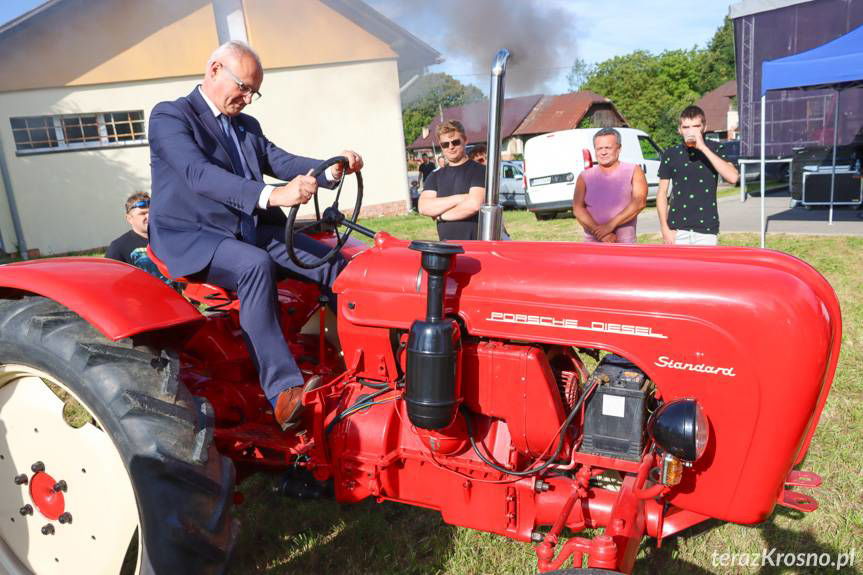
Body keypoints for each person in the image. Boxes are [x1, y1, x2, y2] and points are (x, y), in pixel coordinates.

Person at [147, 41, 362, 431]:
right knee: (254, 265)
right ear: (214, 70)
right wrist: (271, 194)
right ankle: (283, 391)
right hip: (193, 236)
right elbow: (199, 174)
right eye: (243, 87)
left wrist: (330, 169)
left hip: (243, 230)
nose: (247, 98)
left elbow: (278, 160)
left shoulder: (245, 125)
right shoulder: (171, 116)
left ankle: (364, 365)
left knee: (336, 264)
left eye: (253, 92)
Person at [657, 106, 739, 245]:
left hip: (706, 230)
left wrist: (703, 148)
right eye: (686, 127)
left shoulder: (716, 148)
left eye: (696, 126)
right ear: (679, 129)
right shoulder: (671, 154)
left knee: (706, 267)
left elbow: (733, 178)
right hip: (676, 229)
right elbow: (661, 193)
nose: (691, 131)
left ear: (704, 127)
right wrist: (665, 229)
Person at [572, 128, 648, 243]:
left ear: (619, 149)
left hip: (624, 243)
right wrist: (601, 234)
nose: (603, 152)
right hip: (593, 244)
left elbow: (639, 202)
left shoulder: (634, 171)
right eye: (599, 148)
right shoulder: (584, 177)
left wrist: (610, 226)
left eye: (608, 148)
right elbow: (577, 209)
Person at [419, 120, 485, 241]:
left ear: (465, 140)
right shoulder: (435, 176)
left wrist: (441, 216)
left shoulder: (480, 171)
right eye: (445, 144)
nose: (451, 147)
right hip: (447, 251)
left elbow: (474, 205)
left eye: (455, 142)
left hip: (476, 248)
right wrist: (461, 198)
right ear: (441, 146)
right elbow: (424, 207)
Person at [106, 192, 181, 288]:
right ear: (129, 218)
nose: (149, 216)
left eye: (151, 212)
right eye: (142, 213)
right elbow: (111, 283)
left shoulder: (169, 239)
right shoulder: (118, 247)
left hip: (174, 301)